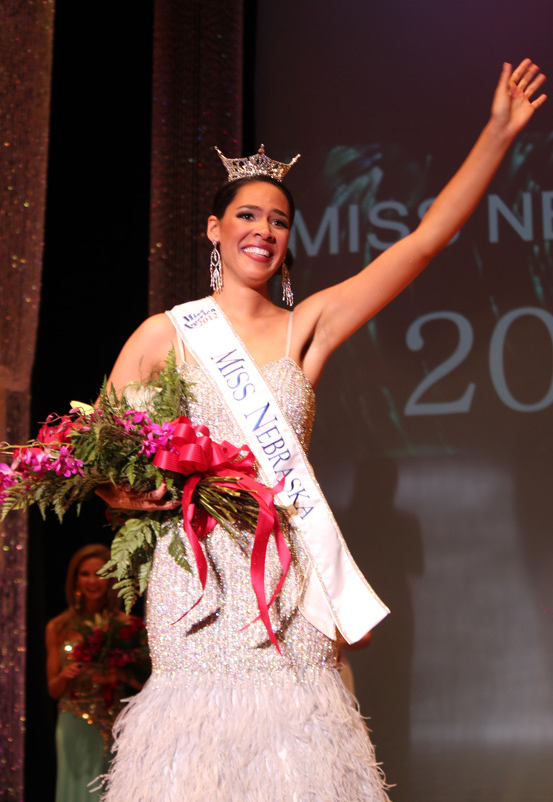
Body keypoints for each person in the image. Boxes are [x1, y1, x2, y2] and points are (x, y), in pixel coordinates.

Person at [98, 61, 546, 801]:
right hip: (197, 588)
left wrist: (497, 134)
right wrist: (141, 497)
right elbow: (105, 464)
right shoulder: (164, 335)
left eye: (278, 220)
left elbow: (426, 241)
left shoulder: (309, 327)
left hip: (287, 584)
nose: (263, 230)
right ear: (214, 228)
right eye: (247, 215)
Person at [45, 543, 150, 802]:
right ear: (75, 579)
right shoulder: (58, 627)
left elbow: (147, 684)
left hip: (116, 723)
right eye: (85, 574)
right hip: (73, 722)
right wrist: (65, 675)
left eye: (101, 573)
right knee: (77, 787)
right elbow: (54, 690)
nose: (93, 581)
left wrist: (120, 675)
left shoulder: (127, 626)